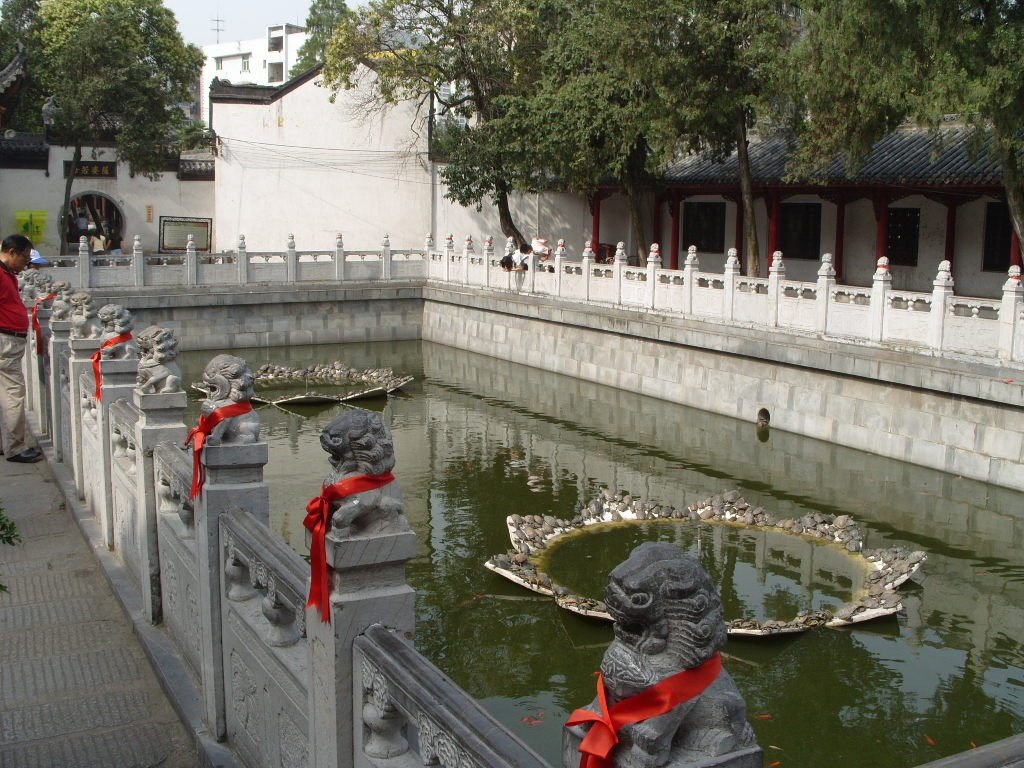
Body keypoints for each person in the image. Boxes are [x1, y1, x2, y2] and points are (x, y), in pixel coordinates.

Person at [0, 233, 44, 462]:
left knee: (5, 395)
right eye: (24, 257)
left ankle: (6, 443)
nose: (26, 263)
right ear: (12, 253)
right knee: (13, 395)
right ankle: (15, 448)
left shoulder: (8, 274)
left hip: (9, 341)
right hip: (5, 342)